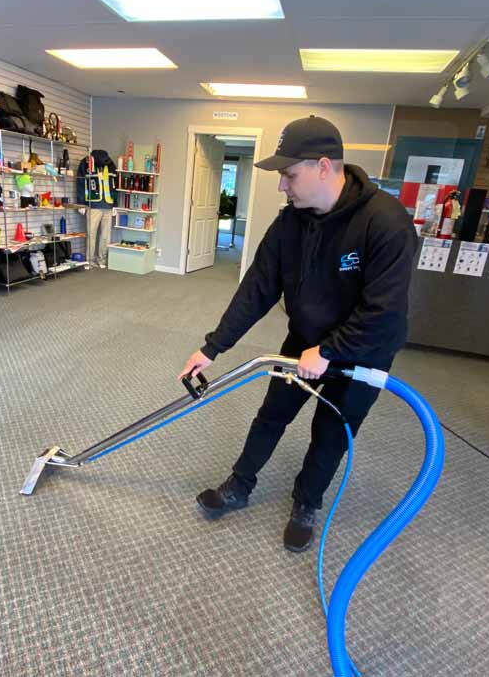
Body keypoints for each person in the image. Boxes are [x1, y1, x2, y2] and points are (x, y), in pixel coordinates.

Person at [179, 115, 417, 552]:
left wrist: (330, 350)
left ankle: (307, 502)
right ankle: (239, 484)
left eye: (289, 175)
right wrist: (213, 347)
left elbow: (385, 312)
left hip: (364, 351)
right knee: (273, 413)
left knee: (331, 431)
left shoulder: (387, 222)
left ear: (323, 166)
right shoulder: (292, 222)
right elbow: (258, 286)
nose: (281, 186)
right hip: (306, 341)